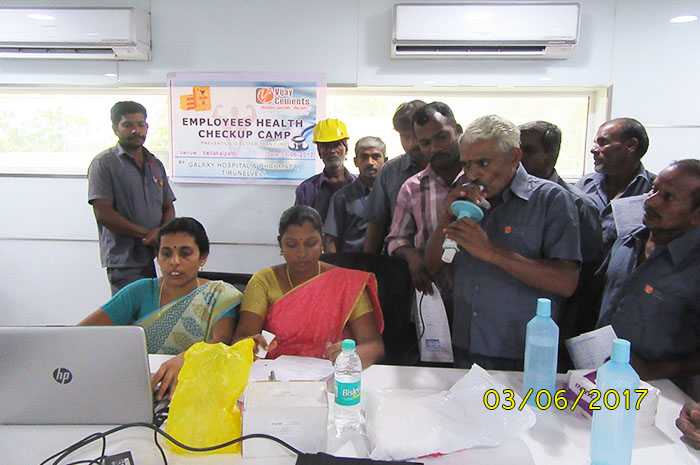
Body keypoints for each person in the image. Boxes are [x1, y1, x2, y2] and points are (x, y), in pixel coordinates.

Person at [425, 115, 582, 370]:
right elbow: (431, 266)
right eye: (467, 165)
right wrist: (448, 214)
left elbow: (566, 282)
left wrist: (491, 252)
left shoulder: (551, 200)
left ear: (514, 157)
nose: (474, 174)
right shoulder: (467, 197)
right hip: (464, 349)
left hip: (521, 355)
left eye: (484, 163)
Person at [79, 217, 242, 400]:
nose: (174, 261)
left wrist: (188, 358)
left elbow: (222, 342)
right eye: (166, 254)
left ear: (202, 257)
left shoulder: (221, 294)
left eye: (185, 254)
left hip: (199, 392)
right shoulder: (140, 291)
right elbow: (82, 334)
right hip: (142, 389)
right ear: (157, 257)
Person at [232, 205, 385, 368]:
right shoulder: (263, 281)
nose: (302, 253)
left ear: (322, 241)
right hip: (274, 375)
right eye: (291, 245)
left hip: (332, 373)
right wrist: (250, 345)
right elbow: (240, 340)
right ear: (280, 243)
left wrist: (350, 355)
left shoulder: (347, 283)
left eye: (311, 243)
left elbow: (374, 346)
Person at [596, 160, 700, 395]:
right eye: (654, 189)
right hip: (599, 380)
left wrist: (658, 369)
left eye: (668, 197)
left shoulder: (694, 265)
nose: (650, 201)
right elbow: (595, 295)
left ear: (697, 214)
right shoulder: (627, 240)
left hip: (664, 395)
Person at [519, 121, 605, 338]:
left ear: (551, 156)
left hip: (555, 320)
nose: (519, 157)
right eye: (515, 149)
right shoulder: (505, 198)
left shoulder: (577, 204)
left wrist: (568, 330)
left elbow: (588, 277)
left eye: (528, 150)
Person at [88, 101, 176, 295]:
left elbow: (168, 206)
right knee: (131, 310)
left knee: (156, 309)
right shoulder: (104, 164)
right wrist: (148, 234)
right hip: (125, 260)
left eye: (140, 124)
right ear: (115, 129)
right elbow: (104, 214)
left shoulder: (155, 163)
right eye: (128, 125)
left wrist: (162, 234)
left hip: (160, 255)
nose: (136, 130)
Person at [386, 102, 466, 296]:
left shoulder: (479, 179)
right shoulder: (412, 188)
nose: (435, 148)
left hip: (477, 296)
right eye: (425, 143)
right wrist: (410, 254)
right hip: (432, 295)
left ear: (458, 130)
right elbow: (396, 239)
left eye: (442, 137)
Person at [576, 117, 656, 253]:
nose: (593, 150)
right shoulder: (585, 185)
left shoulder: (654, 190)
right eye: (595, 143)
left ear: (631, 145)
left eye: (603, 142)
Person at [363, 100, 428, 254]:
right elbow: (376, 226)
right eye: (405, 137)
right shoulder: (390, 171)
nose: (412, 143)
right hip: (399, 260)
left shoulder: (446, 166)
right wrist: (368, 265)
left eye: (416, 135)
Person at [324, 136, 387, 253]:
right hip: (351, 261)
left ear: (385, 161)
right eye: (364, 157)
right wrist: (336, 264)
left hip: (386, 261)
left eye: (375, 157)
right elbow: (331, 241)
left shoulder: (394, 194)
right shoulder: (341, 197)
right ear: (356, 162)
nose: (370, 162)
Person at [294, 118, 356, 222]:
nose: (332, 150)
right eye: (326, 146)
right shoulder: (306, 190)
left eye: (336, 145)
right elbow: (299, 226)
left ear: (346, 149)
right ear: (319, 152)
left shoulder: (360, 186)